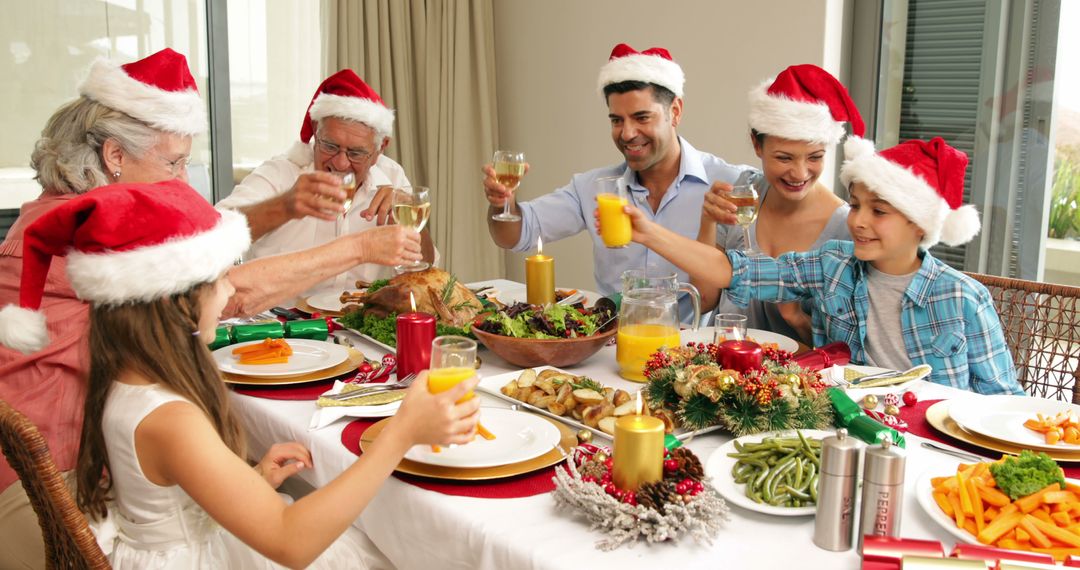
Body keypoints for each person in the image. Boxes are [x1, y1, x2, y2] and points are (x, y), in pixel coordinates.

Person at [0, 49, 419, 568]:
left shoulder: (60, 215)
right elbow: (226, 290)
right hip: (46, 491)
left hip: (90, 468)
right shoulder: (88, 234)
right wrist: (358, 248)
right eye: (173, 163)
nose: (180, 183)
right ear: (114, 156)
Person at [1, 180, 481, 568]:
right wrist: (401, 433)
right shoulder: (168, 418)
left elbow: (164, 497)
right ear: (174, 301)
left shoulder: (126, 378)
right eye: (220, 278)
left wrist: (247, 479)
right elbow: (292, 544)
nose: (232, 290)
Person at [615, 135, 1024, 395]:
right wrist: (648, 232)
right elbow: (733, 271)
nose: (857, 220)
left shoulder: (964, 298)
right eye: (858, 205)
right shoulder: (833, 267)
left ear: (920, 224)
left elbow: (1004, 404)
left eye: (877, 211)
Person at [482, 43, 750, 323]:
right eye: (616, 120)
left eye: (642, 117)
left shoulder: (728, 183)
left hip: (688, 350)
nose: (628, 133)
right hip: (612, 348)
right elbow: (514, 235)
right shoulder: (593, 187)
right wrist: (503, 203)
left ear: (676, 111)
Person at [217, 69, 437, 293]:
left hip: (357, 324)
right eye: (330, 146)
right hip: (283, 323)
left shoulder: (392, 176)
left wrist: (409, 226)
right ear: (315, 131)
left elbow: (427, 269)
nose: (341, 163)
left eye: (356, 153)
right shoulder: (281, 173)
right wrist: (284, 206)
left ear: (381, 148)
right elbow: (212, 236)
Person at [700, 64, 863, 344]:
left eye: (814, 157)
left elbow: (847, 352)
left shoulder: (845, 229)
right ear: (757, 144)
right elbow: (704, 300)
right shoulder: (745, 193)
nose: (800, 173)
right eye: (784, 158)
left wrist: (796, 319)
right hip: (721, 371)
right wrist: (708, 221)